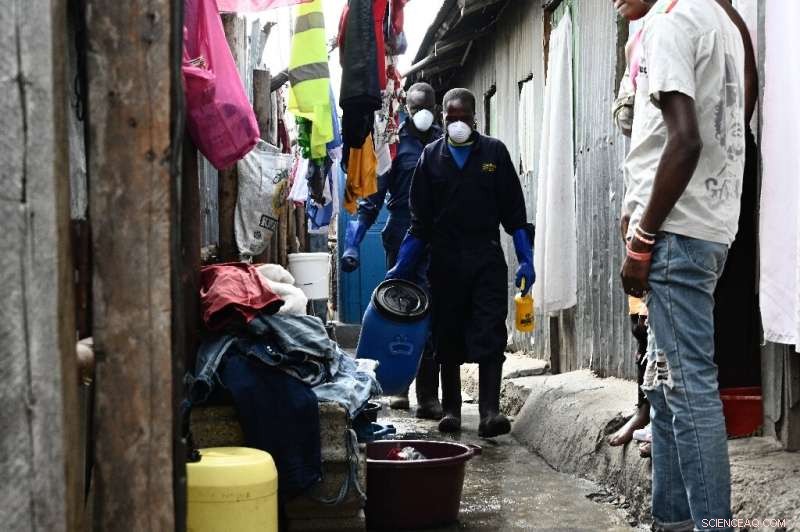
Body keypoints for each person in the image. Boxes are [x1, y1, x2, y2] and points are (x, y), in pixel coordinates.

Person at [620, 0, 754, 530]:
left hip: (675, 233)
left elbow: (686, 140)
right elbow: (735, 119)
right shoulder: (721, 23)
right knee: (665, 384)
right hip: (708, 227)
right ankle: (671, 521)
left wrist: (642, 238)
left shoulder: (673, 24)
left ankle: (711, 526)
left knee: (688, 386)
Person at [386, 88, 535, 438]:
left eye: (463, 119)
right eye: (450, 119)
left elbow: (515, 216)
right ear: (443, 119)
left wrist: (526, 260)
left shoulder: (494, 154)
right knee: (446, 333)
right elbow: (419, 224)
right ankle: (451, 409)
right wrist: (401, 268)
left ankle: (489, 412)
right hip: (445, 260)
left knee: (490, 331)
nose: (457, 125)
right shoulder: (430, 157)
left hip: (485, 257)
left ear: (474, 120)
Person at [340, 82, 444, 419]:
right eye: (417, 108)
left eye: (428, 106)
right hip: (402, 237)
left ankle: (429, 395)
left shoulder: (446, 142)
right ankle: (400, 387)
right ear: (407, 110)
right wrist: (352, 242)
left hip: (439, 242)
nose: (423, 114)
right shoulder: (394, 146)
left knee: (433, 317)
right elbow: (371, 200)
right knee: (400, 313)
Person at [608, 0, 654, 456]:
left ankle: (663, 416)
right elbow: (630, 125)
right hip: (640, 194)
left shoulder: (671, 27)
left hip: (664, 202)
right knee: (640, 318)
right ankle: (644, 406)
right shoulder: (635, 40)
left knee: (664, 320)